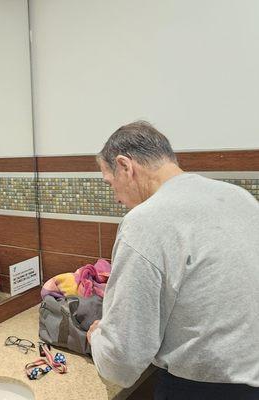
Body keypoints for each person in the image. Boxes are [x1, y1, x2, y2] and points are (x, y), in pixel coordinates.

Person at [87, 121, 259, 399]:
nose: (116, 198)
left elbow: (123, 361)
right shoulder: (240, 198)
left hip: (201, 389)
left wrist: (97, 338)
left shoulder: (146, 221)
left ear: (125, 166)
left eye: (110, 183)